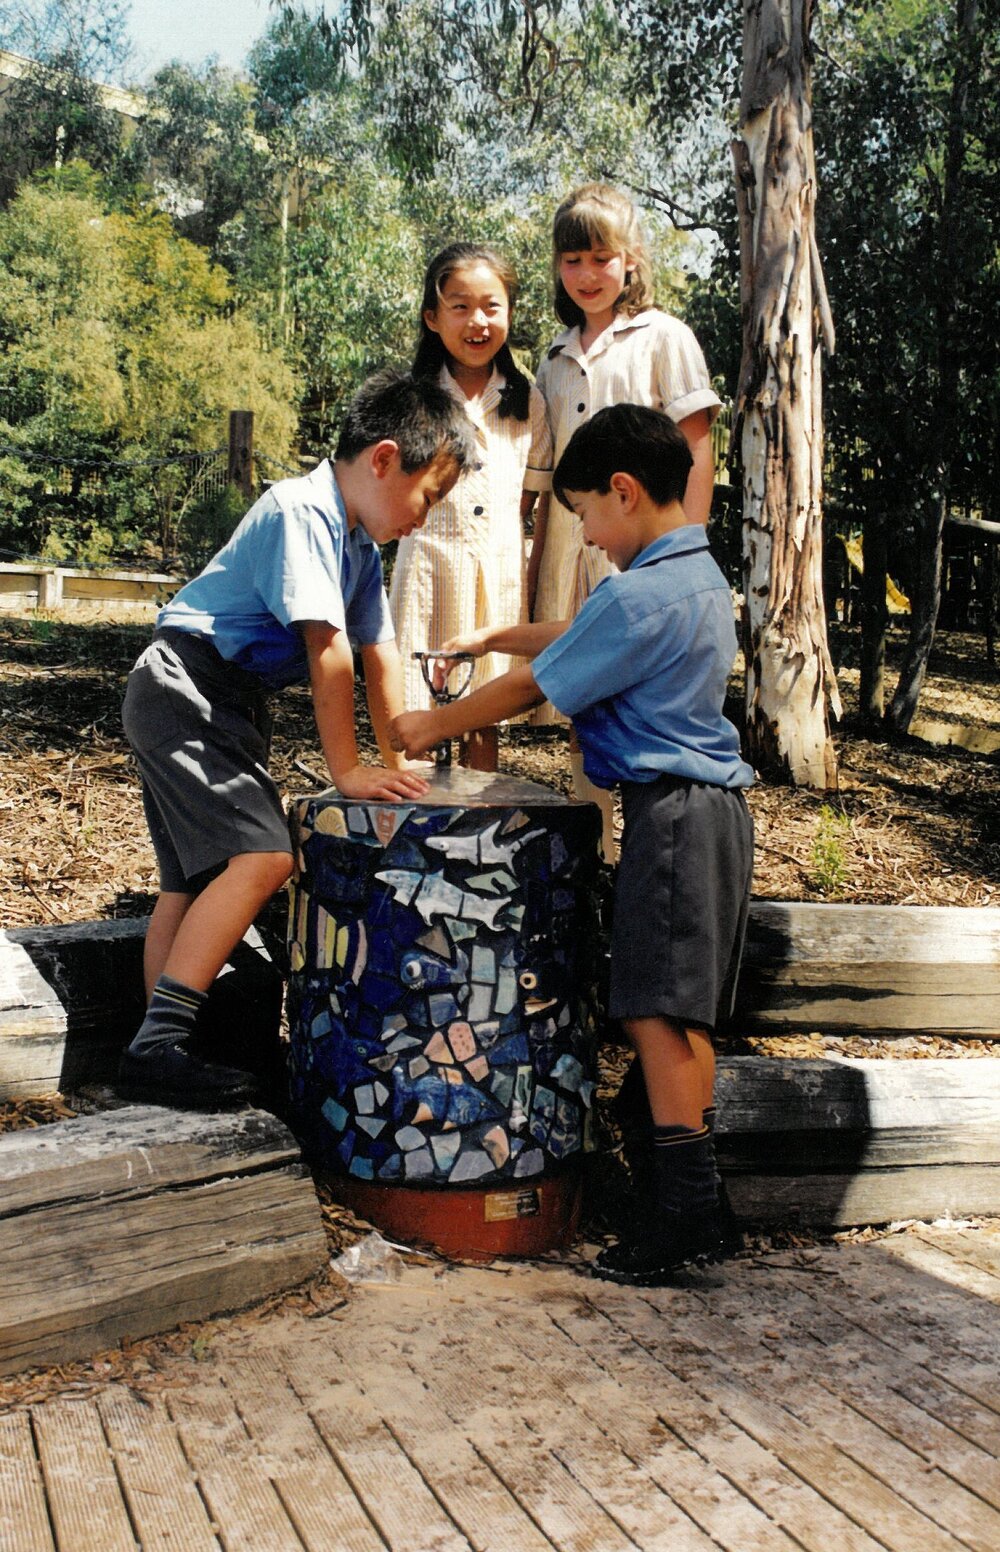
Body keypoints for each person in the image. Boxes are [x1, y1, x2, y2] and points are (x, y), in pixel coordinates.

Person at [390, 404, 754, 1285]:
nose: (587, 535)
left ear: (624, 493)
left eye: (587, 513)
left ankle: (687, 1210)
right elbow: (577, 640)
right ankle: (695, 1197)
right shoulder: (695, 572)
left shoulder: (635, 591)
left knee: (652, 1012)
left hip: (669, 814)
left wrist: (428, 722)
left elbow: (526, 692)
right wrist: (491, 633)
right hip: (718, 815)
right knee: (684, 1012)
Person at [119, 369, 474, 1109]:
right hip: (188, 685)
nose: (424, 516)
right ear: (383, 459)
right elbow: (331, 651)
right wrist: (348, 770)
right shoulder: (300, 511)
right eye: (427, 496)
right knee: (265, 855)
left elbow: (379, 654)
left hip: (213, 695)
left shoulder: (353, 541)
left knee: (191, 882)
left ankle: (170, 1045)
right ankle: (158, 1047)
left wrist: (398, 759)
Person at [530, 182, 722, 856]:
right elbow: (552, 480)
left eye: (601, 258)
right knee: (583, 698)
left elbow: (695, 443)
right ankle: (597, 849)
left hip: (648, 559)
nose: (587, 275)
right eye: (572, 260)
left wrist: (684, 548)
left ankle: (648, 848)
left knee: (642, 695)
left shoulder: (664, 338)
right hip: (574, 549)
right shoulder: (553, 357)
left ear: (631, 260)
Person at [389, 242, 552, 770]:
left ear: (509, 313)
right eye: (459, 306)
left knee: (484, 710)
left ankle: (480, 831)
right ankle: (417, 832)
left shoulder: (528, 402)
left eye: (491, 306)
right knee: (418, 708)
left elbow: (528, 497)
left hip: (498, 572)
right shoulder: (412, 399)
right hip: (429, 571)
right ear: (432, 318)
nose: (477, 322)